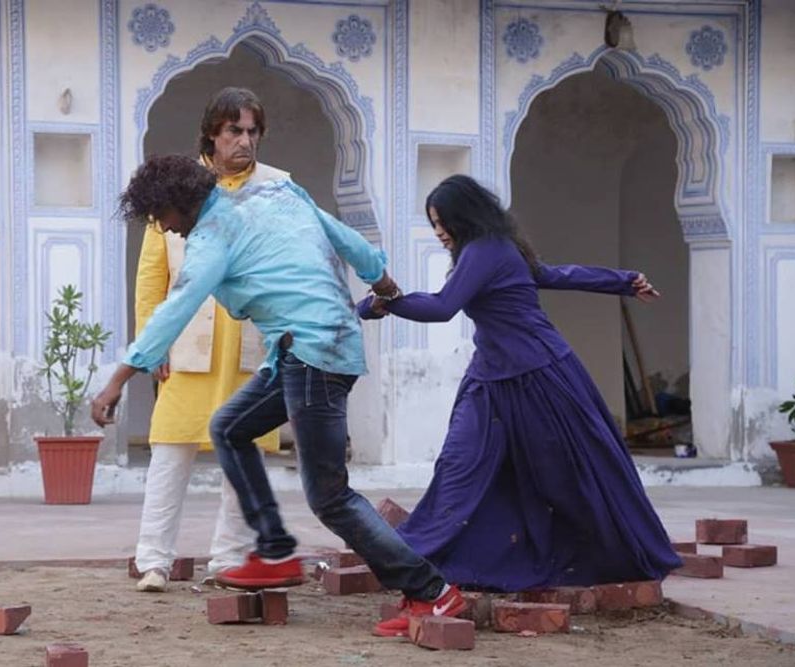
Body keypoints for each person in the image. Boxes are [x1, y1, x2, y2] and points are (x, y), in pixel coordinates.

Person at [92, 155, 467, 638]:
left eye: (161, 216)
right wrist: (381, 278)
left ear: (179, 203)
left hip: (313, 357)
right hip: (308, 350)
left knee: (329, 496)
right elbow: (346, 239)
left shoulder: (211, 238)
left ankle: (432, 592)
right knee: (230, 426)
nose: (165, 229)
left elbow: (175, 309)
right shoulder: (277, 195)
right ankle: (272, 550)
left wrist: (117, 380)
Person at [359, 174, 682, 591]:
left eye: (442, 222)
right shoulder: (484, 251)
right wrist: (622, 280)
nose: (438, 232)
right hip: (489, 381)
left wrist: (384, 303)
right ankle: (420, 553)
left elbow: (442, 307)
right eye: (433, 223)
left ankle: (600, 552)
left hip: (538, 376)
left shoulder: (487, 249)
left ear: (466, 216)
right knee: (459, 464)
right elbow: (557, 274)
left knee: (564, 473)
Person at [129, 88, 288, 593]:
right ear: (211, 135)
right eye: (234, 131)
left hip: (252, 342)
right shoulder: (178, 186)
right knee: (170, 450)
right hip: (187, 342)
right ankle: (153, 560)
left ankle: (228, 559)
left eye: (252, 132)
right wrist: (151, 344)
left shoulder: (277, 187)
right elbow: (152, 276)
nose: (245, 141)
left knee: (242, 454)